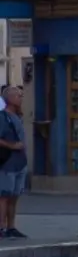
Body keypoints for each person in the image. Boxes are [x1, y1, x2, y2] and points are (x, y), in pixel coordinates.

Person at [0, 84, 28, 239]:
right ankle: (1, 228)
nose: (21, 98)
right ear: (9, 99)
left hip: (20, 163)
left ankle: (11, 227)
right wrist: (12, 146)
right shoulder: (3, 117)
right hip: (7, 163)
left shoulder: (18, 116)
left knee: (14, 197)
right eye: (18, 96)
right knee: (4, 196)